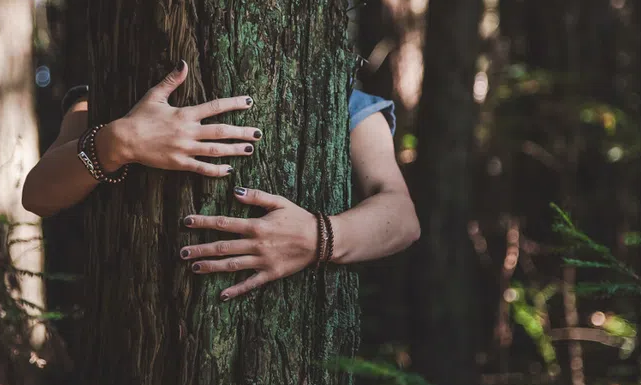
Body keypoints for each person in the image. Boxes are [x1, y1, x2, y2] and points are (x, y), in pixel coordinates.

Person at [22, 59, 420, 301]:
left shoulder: (340, 100)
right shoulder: (109, 93)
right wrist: (119, 141)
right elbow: (38, 194)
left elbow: (402, 216)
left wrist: (318, 237)